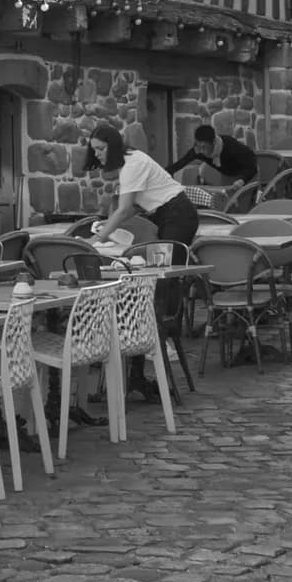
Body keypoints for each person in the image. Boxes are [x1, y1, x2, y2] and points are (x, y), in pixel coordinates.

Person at [85, 124, 197, 406]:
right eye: (94, 149)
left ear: (112, 145)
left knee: (162, 279)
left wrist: (99, 236)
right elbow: (131, 206)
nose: (97, 154)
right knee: (145, 279)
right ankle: (138, 362)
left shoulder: (133, 164)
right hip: (165, 214)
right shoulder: (129, 164)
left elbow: (124, 210)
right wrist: (105, 225)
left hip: (177, 214)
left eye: (100, 149)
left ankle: (161, 336)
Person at [167, 125, 257, 184]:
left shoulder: (231, 146)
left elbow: (252, 166)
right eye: (198, 145)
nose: (200, 151)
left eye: (204, 147)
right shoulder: (198, 149)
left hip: (249, 174)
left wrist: (242, 179)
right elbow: (179, 164)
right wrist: (162, 173)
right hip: (228, 175)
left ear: (213, 142)